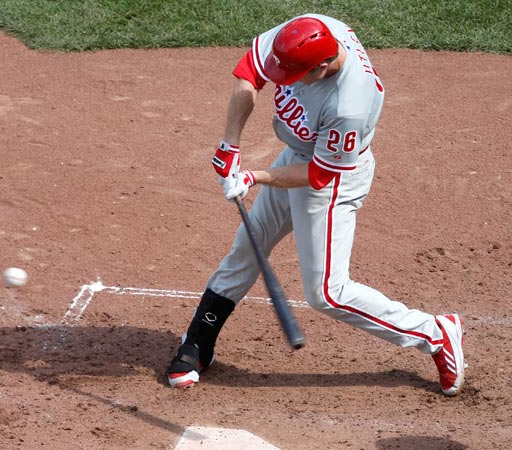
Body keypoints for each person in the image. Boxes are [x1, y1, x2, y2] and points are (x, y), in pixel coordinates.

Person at [167, 14, 465, 396]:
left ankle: (435, 334)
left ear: (324, 66)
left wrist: (253, 177)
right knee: (249, 243)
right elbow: (249, 73)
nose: (283, 81)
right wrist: (230, 145)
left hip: (330, 178)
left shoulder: (350, 105)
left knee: (327, 292)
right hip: (299, 155)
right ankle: (198, 341)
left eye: (294, 75)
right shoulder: (307, 32)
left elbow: (317, 176)